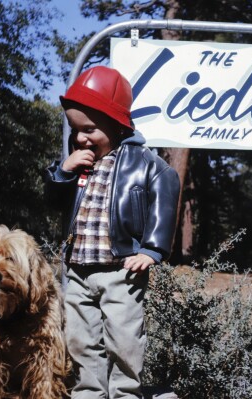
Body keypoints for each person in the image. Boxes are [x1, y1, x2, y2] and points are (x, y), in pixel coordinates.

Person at [45, 66, 180, 399]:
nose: (80, 138)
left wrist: (151, 250)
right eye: (75, 130)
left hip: (121, 268)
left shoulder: (145, 163)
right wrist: (63, 172)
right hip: (78, 269)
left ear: (116, 124)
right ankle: (88, 392)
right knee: (79, 337)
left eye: (89, 129)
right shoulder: (78, 161)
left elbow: (164, 201)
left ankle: (124, 393)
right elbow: (51, 203)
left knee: (124, 337)